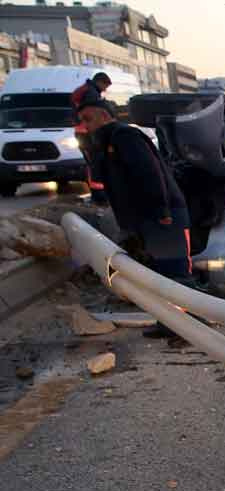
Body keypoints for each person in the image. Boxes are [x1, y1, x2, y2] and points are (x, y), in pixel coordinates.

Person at [77, 101, 193, 340]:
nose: (84, 126)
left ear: (103, 115)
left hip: (162, 216)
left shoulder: (125, 137)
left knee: (175, 272)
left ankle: (190, 326)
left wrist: (162, 212)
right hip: (145, 218)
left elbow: (149, 173)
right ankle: (169, 323)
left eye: (88, 119)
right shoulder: (107, 143)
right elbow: (99, 179)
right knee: (157, 275)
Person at [70, 72, 111, 201]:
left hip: (81, 131)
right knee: (97, 161)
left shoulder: (86, 90)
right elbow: (94, 113)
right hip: (88, 132)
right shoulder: (91, 93)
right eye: (105, 86)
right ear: (100, 82)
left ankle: (97, 192)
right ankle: (99, 194)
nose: (105, 89)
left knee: (92, 162)